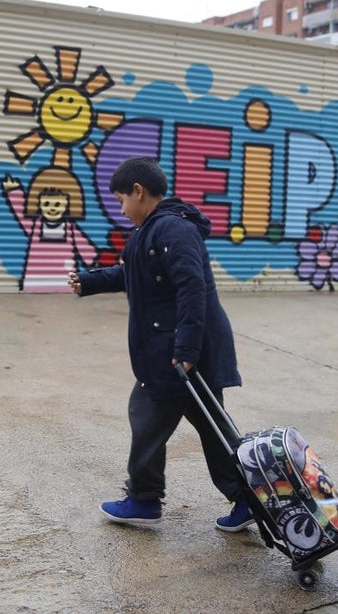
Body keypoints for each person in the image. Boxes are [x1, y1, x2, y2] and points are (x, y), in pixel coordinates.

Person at [67, 157, 253, 532]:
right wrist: (90, 281)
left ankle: (144, 499)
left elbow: (192, 288)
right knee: (214, 428)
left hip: (180, 355)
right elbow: (132, 273)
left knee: (148, 415)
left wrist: (185, 350)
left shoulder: (172, 230)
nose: (121, 209)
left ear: (139, 192)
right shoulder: (152, 231)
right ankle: (247, 499)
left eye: (122, 200)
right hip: (182, 353)